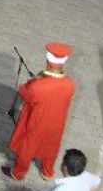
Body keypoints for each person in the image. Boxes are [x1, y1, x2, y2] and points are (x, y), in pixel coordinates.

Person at [5, 42, 75, 181]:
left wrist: (35, 80)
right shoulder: (70, 84)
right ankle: (47, 172)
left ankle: (18, 173)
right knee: (52, 147)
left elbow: (24, 92)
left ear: (48, 60)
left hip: (37, 122)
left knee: (27, 148)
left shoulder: (37, 85)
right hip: (56, 124)